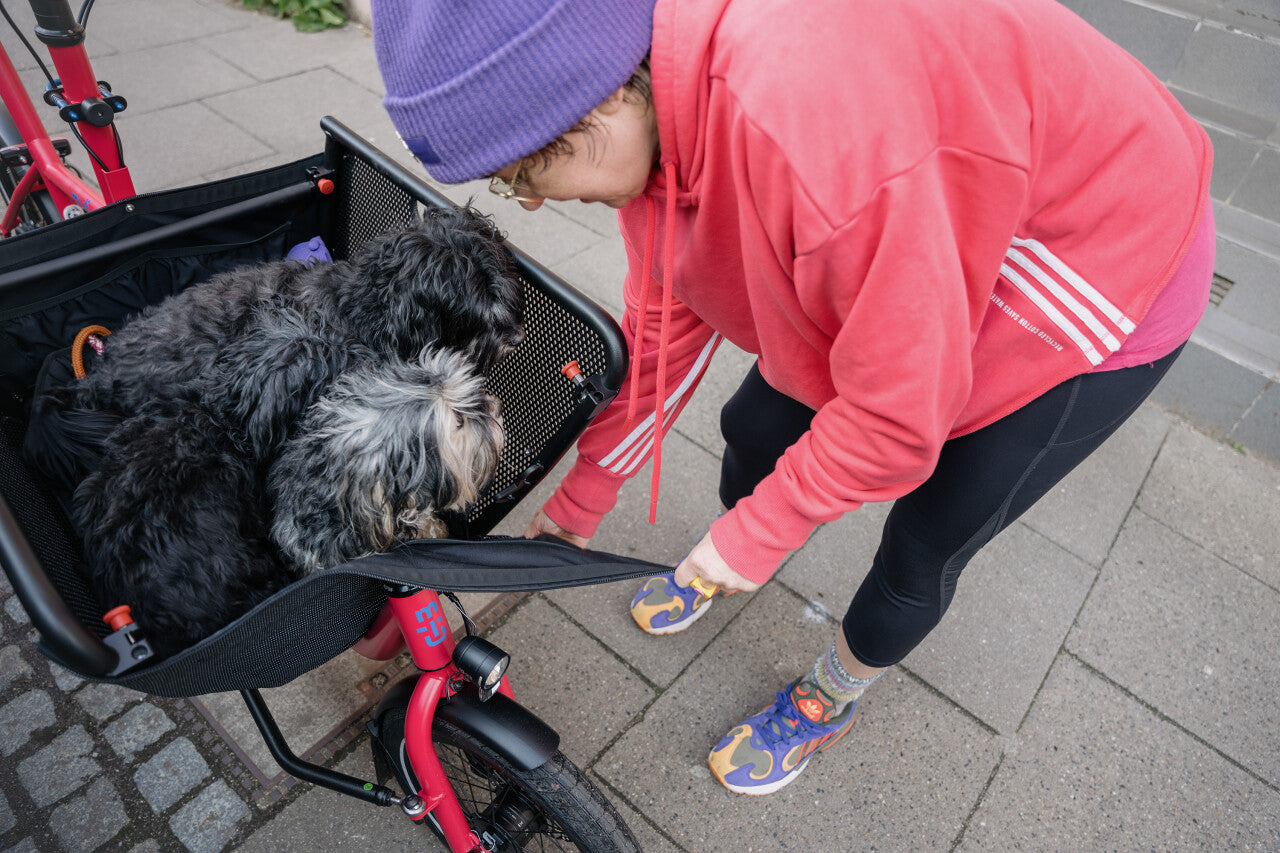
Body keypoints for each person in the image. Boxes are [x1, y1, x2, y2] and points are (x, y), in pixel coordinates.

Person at [371, 0, 1214, 795]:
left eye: (528, 172)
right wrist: (585, 496)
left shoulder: (819, 143)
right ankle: (739, 551)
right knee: (757, 425)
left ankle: (832, 694)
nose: (532, 202)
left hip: (1093, 244)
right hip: (916, 195)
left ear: (596, 101)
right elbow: (664, 325)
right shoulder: (656, 105)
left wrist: (764, 529)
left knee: (929, 535)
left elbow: (895, 413)